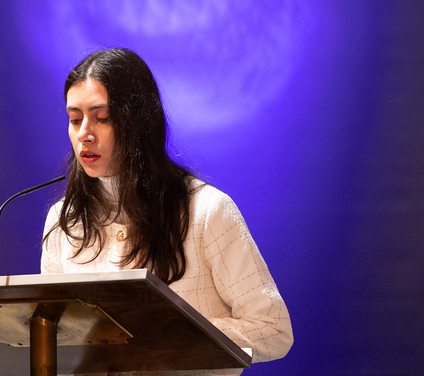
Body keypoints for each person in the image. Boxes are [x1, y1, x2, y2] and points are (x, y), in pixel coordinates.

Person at [42, 48, 293, 375]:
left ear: (137, 123)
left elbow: (273, 330)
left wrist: (170, 335)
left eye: (101, 118)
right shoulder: (64, 221)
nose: (83, 134)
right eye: (75, 119)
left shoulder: (207, 210)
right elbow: (54, 337)